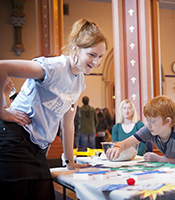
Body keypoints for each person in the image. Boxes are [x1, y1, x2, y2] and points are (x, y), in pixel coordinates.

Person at [0, 18, 107, 198]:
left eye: (100, 57)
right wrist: (2, 111)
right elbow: (2, 67)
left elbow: (68, 122)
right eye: (92, 55)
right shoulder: (53, 67)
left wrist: (70, 160)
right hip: (15, 138)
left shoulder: (79, 81)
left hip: (37, 148)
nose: (96, 62)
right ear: (75, 48)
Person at [106, 96, 175, 164]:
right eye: (147, 120)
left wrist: (160, 159)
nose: (148, 125)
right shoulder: (150, 130)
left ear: (168, 121)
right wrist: (118, 147)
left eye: (152, 121)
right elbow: (127, 143)